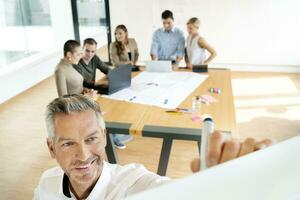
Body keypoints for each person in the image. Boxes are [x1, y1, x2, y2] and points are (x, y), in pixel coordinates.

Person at [33, 94, 274, 200]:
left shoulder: (134, 185)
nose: (83, 155)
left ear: (105, 136)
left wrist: (232, 186)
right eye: (68, 144)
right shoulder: (46, 184)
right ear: (51, 148)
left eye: (91, 139)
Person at [74, 38, 132, 149]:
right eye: (87, 50)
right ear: (82, 49)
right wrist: (100, 85)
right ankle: (111, 137)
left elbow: (106, 69)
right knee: (103, 108)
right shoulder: (77, 63)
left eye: (93, 51)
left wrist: (116, 76)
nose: (90, 54)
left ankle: (112, 132)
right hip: (81, 95)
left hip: (92, 91)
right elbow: (83, 82)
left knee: (114, 102)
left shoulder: (94, 59)